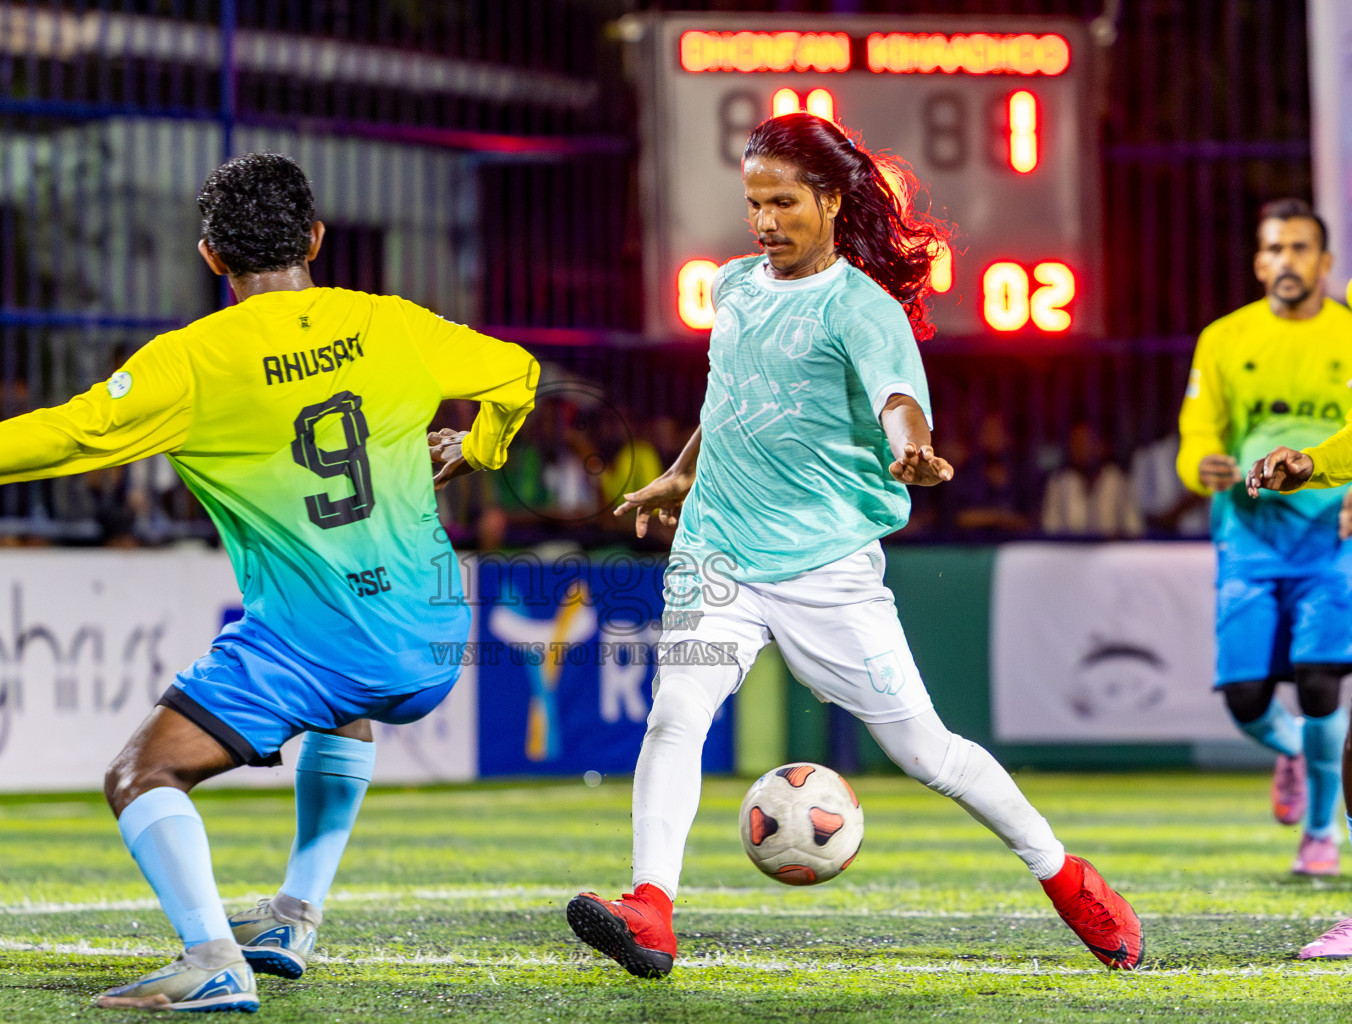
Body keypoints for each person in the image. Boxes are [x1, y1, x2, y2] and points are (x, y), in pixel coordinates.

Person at [0, 152, 538, 1013]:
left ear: (209, 256)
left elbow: (66, 434)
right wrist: (476, 450)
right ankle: (295, 915)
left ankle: (212, 960)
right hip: (431, 635)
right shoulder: (388, 325)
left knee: (139, 774)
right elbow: (519, 372)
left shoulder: (193, 364)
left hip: (319, 640)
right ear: (315, 237)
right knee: (346, 699)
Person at [565, 113, 1143, 979]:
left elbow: (899, 401)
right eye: (754, 202)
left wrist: (911, 442)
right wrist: (685, 474)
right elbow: (727, 401)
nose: (764, 222)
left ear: (831, 200)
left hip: (824, 570)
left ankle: (1066, 876)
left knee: (927, 754)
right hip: (719, 554)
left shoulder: (861, 310)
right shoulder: (733, 287)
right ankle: (650, 908)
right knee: (676, 716)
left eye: (784, 202)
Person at [1176, 198, 1352, 877]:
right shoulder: (1225, 339)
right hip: (1248, 537)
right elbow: (1198, 437)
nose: (1286, 261)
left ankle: (1320, 838)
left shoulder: (1346, 334)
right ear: (1258, 262)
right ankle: (1290, 753)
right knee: (1247, 699)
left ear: (1325, 262)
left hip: (1330, 540)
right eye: (1274, 249)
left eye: (1300, 248)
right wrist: (1203, 467)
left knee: (1319, 686)